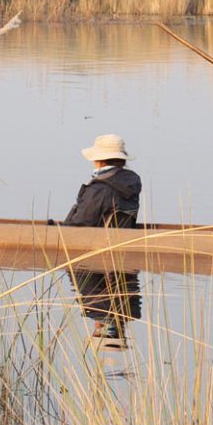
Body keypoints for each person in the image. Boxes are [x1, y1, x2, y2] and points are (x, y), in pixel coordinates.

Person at [57, 133, 143, 347]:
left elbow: (80, 226)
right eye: (97, 333)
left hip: (97, 251)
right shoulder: (131, 182)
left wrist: (56, 230)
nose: (94, 330)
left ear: (100, 160)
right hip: (120, 249)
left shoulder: (100, 188)